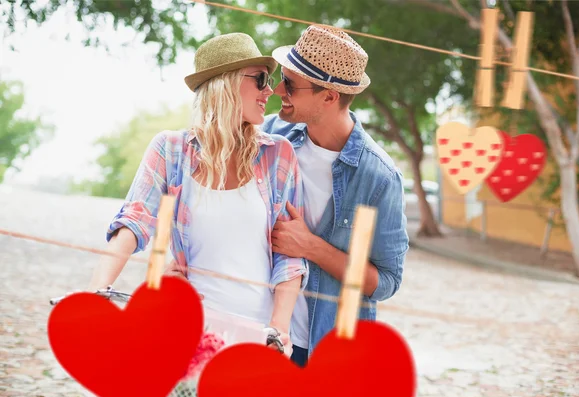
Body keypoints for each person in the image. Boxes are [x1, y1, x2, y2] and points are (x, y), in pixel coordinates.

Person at [85, 33, 308, 355]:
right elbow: (134, 222)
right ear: (225, 84)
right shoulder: (171, 150)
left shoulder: (278, 155)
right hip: (187, 328)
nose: (269, 90)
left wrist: (280, 330)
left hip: (256, 336)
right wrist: (96, 291)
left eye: (269, 80)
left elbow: (290, 256)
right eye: (260, 79)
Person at [260, 25, 410, 367]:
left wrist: (310, 246)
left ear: (329, 96)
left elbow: (386, 282)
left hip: (323, 351)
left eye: (292, 85)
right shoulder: (270, 134)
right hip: (262, 332)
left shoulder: (379, 178)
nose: (278, 89)